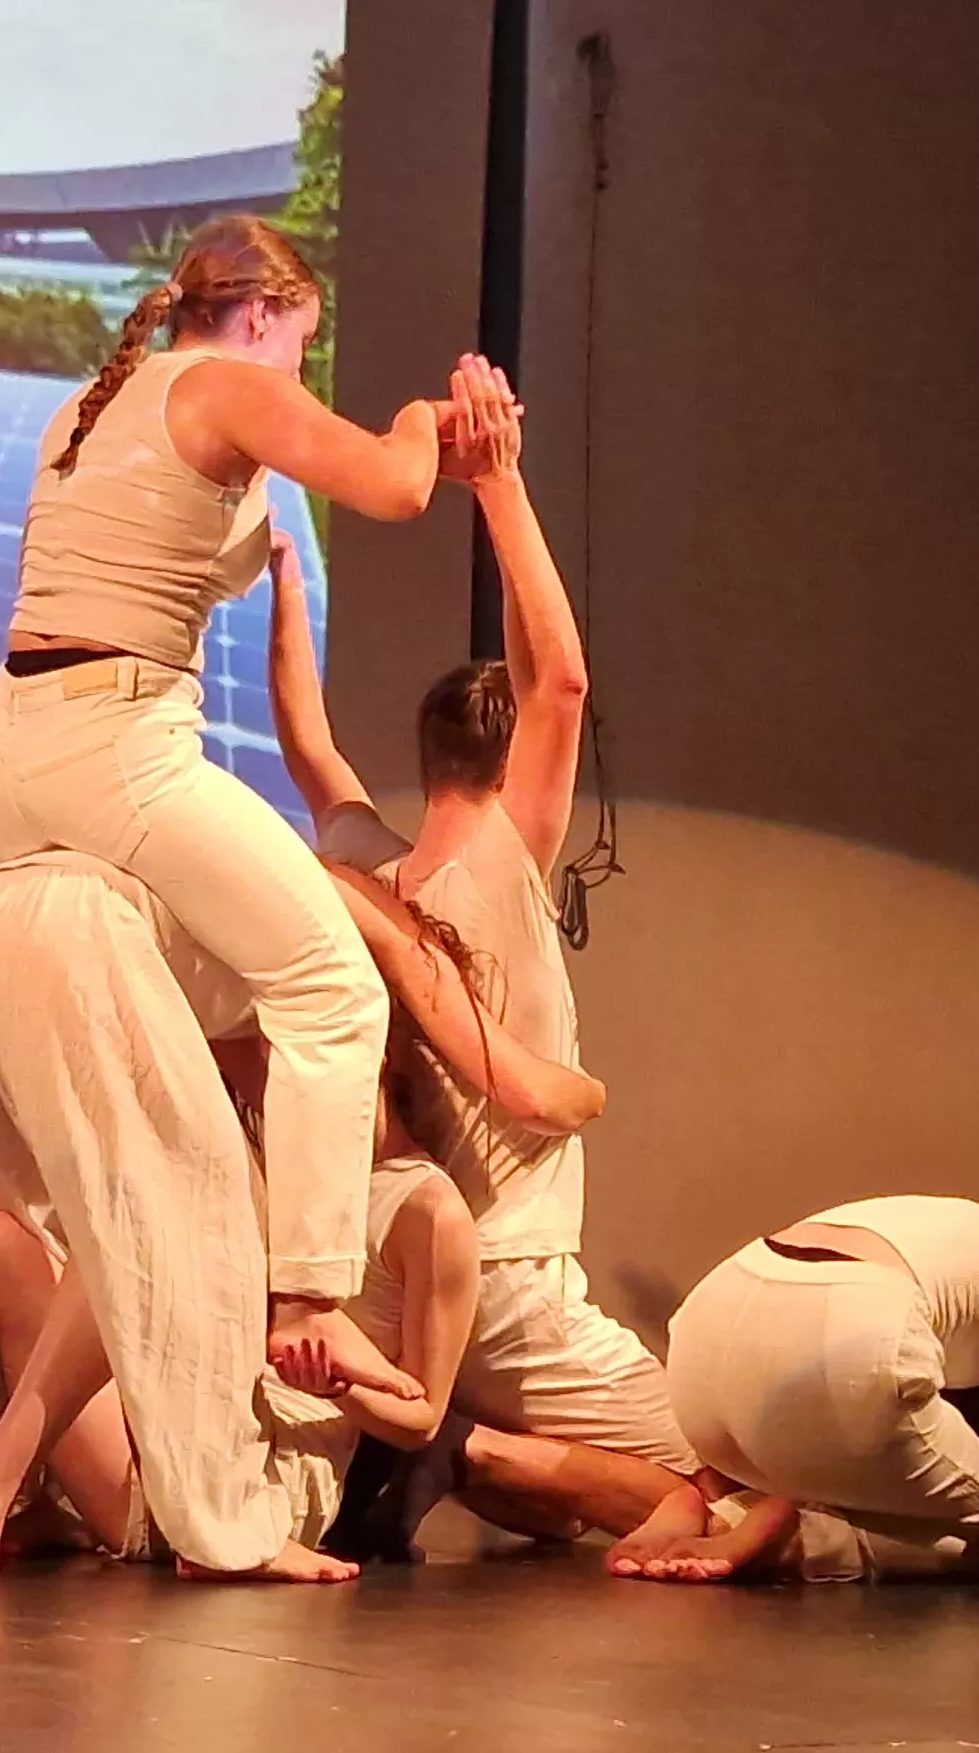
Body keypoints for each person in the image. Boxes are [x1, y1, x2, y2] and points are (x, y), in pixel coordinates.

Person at [0, 209, 512, 1394]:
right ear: (260, 314)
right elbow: (392, 487)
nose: (298, 375)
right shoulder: (225, 381)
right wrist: (430, 422)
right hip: (115, 744)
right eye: (302, 344)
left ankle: (132, 1296)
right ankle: (310, 1296)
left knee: (209, 1003)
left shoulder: (88, 406)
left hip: (12, 752)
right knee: (327, 982)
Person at [0, 845, 573, 1583]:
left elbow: (420, 1417)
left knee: (126, 1228)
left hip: (252, 1476)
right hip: (154, 1417)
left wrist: (322, 1368)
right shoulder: (243, 1152)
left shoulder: (424, 1208)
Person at [267, 364, 710, 1536]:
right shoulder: (504, 860)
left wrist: (278, 571)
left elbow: (308, 742)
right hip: (510, 1286)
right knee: (733, 1476)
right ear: (509, 761)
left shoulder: (379, 868)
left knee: (577, 1514)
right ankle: (460, 1451)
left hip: (417, 1286)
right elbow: (557, 678)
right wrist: (497, 483)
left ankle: (457, 1445)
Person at [608, 1196, 979, 1583]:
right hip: (844, 1320)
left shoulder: (974, 1246)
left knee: (858, 1443)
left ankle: (708, 1501)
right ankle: (790, 1531)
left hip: (710, 1324)